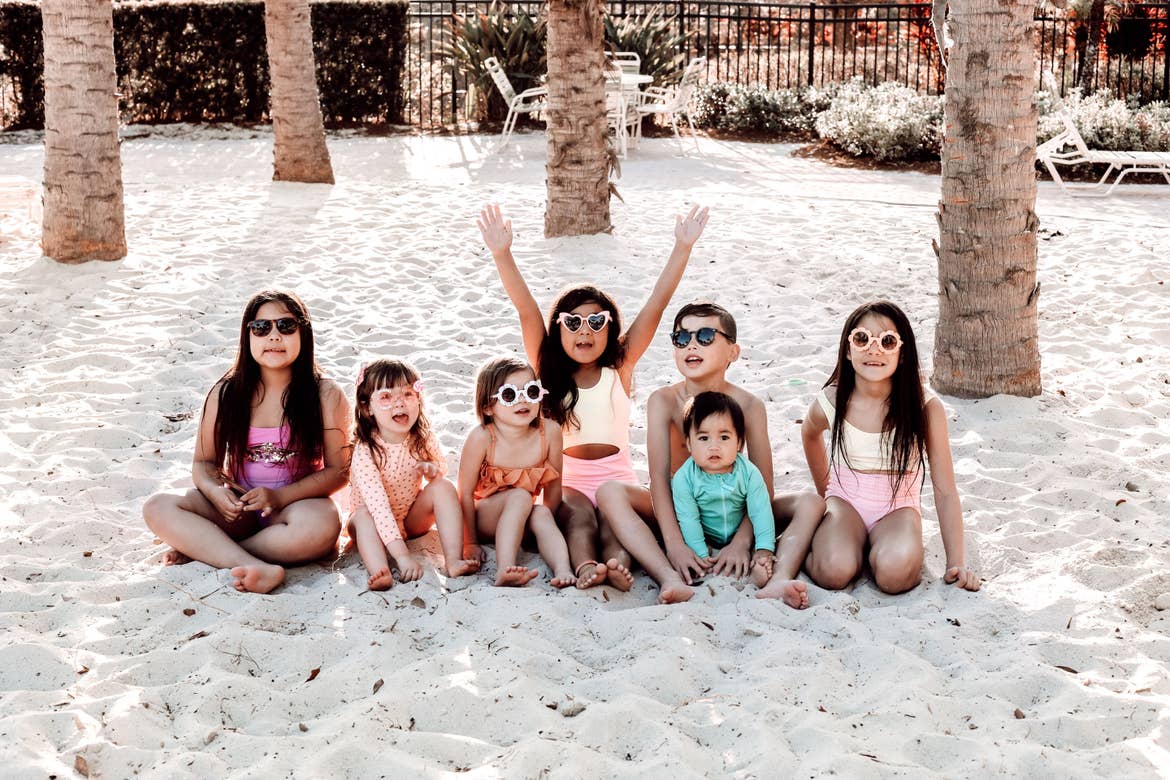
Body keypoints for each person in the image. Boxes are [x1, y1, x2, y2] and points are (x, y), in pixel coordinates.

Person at [476, 202, 708, 591]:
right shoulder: (546, 372)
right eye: (574, 322)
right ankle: (586, 566)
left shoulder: (621, 366)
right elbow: (526, 310)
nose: (585, 331)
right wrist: (502, 253)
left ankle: (617, 564)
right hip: (569, 479)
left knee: (617, 522)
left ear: (609, 328)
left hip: (619, 477)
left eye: (597, 322)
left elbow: (657, 301)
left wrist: (682, 247)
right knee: (581, 518)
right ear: (559, 329)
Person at [599, 301, 824, 606]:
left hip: (737, 505)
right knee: (610, 492)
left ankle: (780, 576)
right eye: (681, 338)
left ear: (733, 352)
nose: (691, 345)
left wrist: (743, 542)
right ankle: (667, 575)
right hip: (682, 510)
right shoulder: (663, 401)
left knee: (810, 503)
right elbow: (659, 479)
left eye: (705, 336)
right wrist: (675, 543)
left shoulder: (748, 405)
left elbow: (764, 484)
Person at [142, 291, 350, 594]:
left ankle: (210, 549)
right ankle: (255, 564)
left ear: (303, 334)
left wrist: (280, 498)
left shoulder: (326, 394)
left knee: (323, 527)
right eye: (262, 328)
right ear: (247, 335)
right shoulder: (226, 393)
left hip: (295, 507)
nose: (274, 336)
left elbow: (339, 471)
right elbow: (203, 463)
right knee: (157, 507)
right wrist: (215, 493)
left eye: (286, 326)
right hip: (238, 508)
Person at [800, 300, 980, 594]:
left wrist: (955, 564)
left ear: (902, 352)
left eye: (887, 341)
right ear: (847, 350)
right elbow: (809, 434)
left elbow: (946, 490)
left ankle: (874, 552)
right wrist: (826, 492)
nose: (874, 350)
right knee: (833, 571)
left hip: (898, 508)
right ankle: (827, 548)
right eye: (861, 339)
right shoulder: (832, 400)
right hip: (845, 503)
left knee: (894, 575)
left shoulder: (925, 408)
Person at [348, 358, 481, 590]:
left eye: (408, 394)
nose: (399, 403)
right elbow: (378, 507)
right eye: (386, 397)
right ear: (367, 407)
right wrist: (402, 557)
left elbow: (440, 466)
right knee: (362, 516)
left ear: (418, 400)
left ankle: (453, 561)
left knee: (444, 486)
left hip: (409, 518)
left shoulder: (421, 437)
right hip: (371, 524)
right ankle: (381, 571)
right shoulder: (366, 450)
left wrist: (433, 470)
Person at [457, 357, 573, 588]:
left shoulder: (549, 432)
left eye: (531, 391)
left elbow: (553, 489)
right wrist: (470, 541)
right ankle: (505, 568)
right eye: (509, 395)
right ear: (488, 406)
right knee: (520, 495)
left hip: (521, 515)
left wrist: (540, 527)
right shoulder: (482, 437)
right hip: (486, 517)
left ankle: (563, 570)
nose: (523, 400)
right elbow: (465, 494)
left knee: (541, 513)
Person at [672, 391, 776, 589]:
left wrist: (764, 548)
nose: (714, 446)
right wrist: (702, 556)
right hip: (707, 537)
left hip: (742, 535)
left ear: (739, 443)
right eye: (703, 438)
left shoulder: (748, 473)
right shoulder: (684, 478)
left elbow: (760, 511)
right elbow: (689, 519)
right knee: (689, 535)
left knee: (762, 532)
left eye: (724, 437)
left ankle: (760, 563)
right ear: (688, 443)